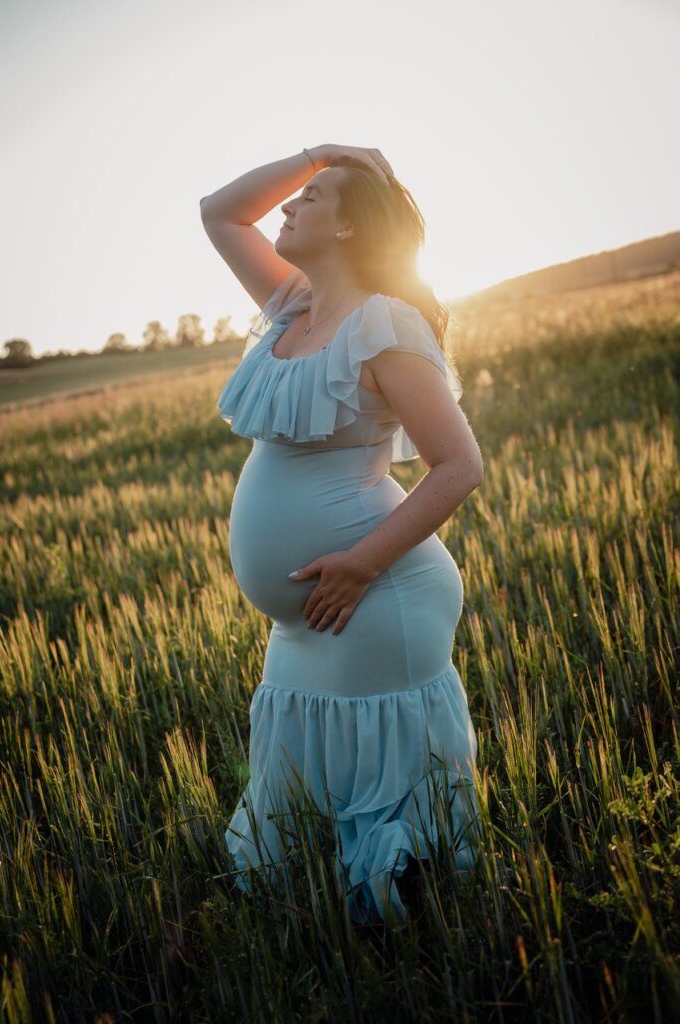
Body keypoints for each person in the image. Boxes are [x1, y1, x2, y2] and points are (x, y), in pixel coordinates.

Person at [200, 144, 483, 928]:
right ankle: (341, 927)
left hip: (378, 591)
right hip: (309, 617)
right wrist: (315, 155)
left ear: (354, 227)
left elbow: (459, 466)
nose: (289, 205)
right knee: (308, 786)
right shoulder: (293, 307)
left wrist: (359, 565)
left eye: (313, 197)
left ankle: (412, 942)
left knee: (383, 796)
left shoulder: (384, 322)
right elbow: (219, 213)